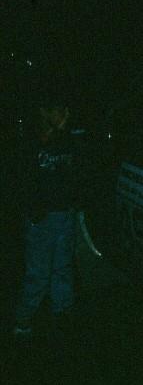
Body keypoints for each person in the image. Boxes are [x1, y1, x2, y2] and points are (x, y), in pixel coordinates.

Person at [12, 94, 80, 340]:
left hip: (65, 214)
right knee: (39, 273)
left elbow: (76, 174)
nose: (66, 115)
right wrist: (32, 211)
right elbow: (21, 180)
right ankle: (23, 321)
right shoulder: (31, 142)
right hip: (42, 219)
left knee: (63, 267)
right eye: (61, 109)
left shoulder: (69, 141)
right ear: (45, 112)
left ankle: (63, 317)